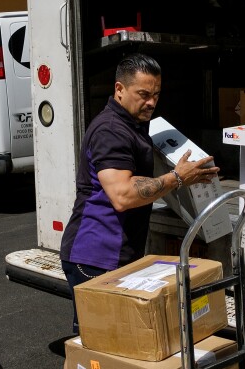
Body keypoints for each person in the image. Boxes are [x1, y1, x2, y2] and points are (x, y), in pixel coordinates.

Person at [60, 52, 219, 333]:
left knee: (106, 343)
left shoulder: (132, 124)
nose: (151, 102)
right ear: (119, 89)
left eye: (156, 94)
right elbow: (122, 195)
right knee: (94, 344)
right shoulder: (111, 130)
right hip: (95, 258)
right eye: (144, 94)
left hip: (116, 254)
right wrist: (177, 178)